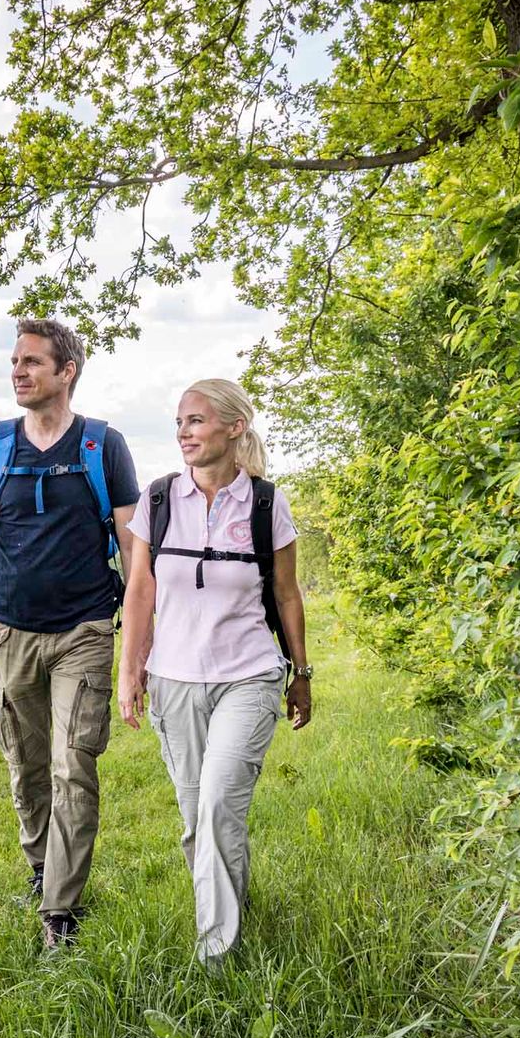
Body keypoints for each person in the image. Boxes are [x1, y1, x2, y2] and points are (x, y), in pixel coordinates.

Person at [0, 317, 140, 951]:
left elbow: (133, 548)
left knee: (72, 764)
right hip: (10, 631)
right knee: (25, 763)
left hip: (84, 629)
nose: (18, 372)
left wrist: (141, 634)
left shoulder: (102, 447)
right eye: (14, 362)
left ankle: (61, 909)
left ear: (67, 372)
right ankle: (41, 866)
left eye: (31, 362)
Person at [116, 377, 312, 966]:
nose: (184, 434)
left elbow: (287, 593)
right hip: (174, 679)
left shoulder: (264, 503)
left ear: (234, 428)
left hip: (247, 676)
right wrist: (131, 670)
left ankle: (216, 957)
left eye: (196, 421)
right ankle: (232, 906)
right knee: (196, 817)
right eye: (179, 423)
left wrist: (301, 672)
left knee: (220, 804)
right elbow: (140, 591)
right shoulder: (158, 500)